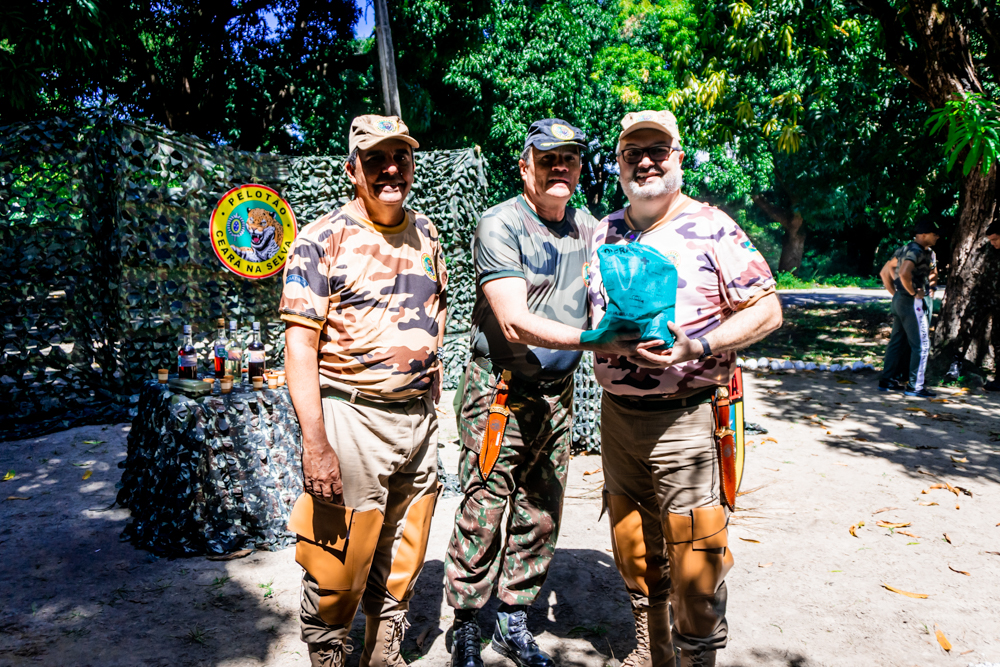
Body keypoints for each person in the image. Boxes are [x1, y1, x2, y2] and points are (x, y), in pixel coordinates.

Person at [587, 110, 782, 667]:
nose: (645, 161)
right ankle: (652, 652)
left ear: (677, 156)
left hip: (688, 418)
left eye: (658, 149)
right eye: (632, 152)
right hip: (618, 416)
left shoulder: (713, 226)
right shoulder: (604, 230)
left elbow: (768, 309)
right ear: (620, 163)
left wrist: (699, 345)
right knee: (634, 544)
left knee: (696, 554)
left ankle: (698, 659)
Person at [444, 119, 636, 667]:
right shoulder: (500, 224)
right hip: (500, 394)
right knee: (483, 504)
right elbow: (513, 321)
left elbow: (614, 287)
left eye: (570, 159)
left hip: (559, 392)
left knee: (541, 510)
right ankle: (464, 622)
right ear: (525, 165)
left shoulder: (588, 227)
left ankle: (511, 617)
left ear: (579, 168)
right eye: (548, 158)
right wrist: (596, 339)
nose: (560, 167)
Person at [280, 115, 447, 667]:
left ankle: (383, 655)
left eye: (400, 156)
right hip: (352, 421)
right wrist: (315, 443)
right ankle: (330, 657)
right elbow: (300, 345)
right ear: (354, 170)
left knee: (404, 551)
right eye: (375, 159)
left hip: (417, 422)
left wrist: (433, 407)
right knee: (338, 562)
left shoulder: (428, 235)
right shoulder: (320, 239)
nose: (391, 168)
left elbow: (435, 323)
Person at [878, 219, 941, 397]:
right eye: (933, 233)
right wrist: (913, 293)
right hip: (912, 302)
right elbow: (905, 272)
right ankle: (915, 386)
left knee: (896, 341)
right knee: (921, 345)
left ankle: (887, 380)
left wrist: (897, 294)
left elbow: (885, 272)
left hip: (900, 301)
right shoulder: (916, 250)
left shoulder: (905, 249)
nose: (937, 237)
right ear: (922, 235)